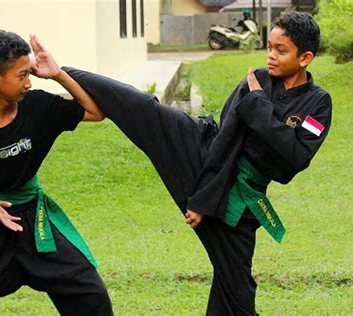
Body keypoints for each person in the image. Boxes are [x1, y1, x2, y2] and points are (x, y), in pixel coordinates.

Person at [63, 11, 331, 315]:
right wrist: (204, 199)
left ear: (305, 58)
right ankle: (62, 71)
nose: (270, 56)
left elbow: (294, 160)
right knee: (146, 109)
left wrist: (259, 106)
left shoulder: (318, 103)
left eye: (281, 51)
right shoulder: (256, 79)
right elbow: (228, 138)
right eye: (269, 47)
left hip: (242, 202)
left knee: (236, 290)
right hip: (206, 152)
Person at [0, 30, 113, 315]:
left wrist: (58, 74)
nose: (29, 82)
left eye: (29, 73)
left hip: (35, 219)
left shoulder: (38, 107)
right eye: (22, 75)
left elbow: (95, 111)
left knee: (90, 293)